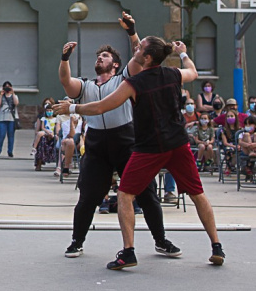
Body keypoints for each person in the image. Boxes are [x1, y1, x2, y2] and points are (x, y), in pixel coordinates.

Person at [56, 36, 225, 269]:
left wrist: (71, 107)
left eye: (139, 48)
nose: (135, 49)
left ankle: (141, 247)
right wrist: (183, 53)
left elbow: (102, 106)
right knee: (89, 196)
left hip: (141, 144)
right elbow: (193, 72)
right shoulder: (171, 74)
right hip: (165, 143)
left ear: (143, 58)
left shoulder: (131, 81)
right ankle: (216, 246)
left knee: (135, 195)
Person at [56, 12, 181, 263]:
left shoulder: (126, 78)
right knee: (88, 196)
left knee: (146, 193)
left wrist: (131, 31)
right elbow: (65, 82)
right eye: (98, 56)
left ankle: (161, 240)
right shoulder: (86, 86)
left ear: (115, 64)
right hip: (97, 143)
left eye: (105, 56)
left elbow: (140, 56)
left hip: (126, 140)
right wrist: (64, 58)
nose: (99, 58)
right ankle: (77, 241)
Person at [0, 80, 19, 158]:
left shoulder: (14, 96)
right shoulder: (1, 96)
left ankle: (10, 151)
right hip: (2, 118)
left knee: (11, 136)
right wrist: (1, 95)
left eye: (9, 87)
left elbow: (16, 103)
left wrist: (13, 93)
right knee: (1, 135)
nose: (7, 88)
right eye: (6, 87)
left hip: (11, 119)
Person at [33, 100, 58, 171]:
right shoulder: (42, 117)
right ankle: (39, 163)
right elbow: (38, 129)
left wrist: (53, 134)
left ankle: (60, 164)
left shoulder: (56, 118)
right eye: (46, 104)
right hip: (44, 135)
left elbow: (58, 129)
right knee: (42, 140)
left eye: (49, 104)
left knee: (58, 139)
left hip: (53, 135)